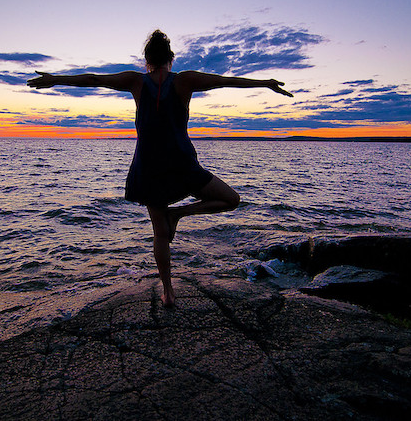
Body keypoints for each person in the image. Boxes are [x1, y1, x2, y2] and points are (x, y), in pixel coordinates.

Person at [28, 30, 292, 307]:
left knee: (160, 234)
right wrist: (266, 82)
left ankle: (168, 291)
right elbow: (224, 82)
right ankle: (179, 214)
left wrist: (55, 79)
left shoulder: (135, 81)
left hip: (149, 164)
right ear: (171, 58)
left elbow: (95, 80)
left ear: (147, 60)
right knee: (231, 199)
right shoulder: (185, 80)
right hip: (181, 162)